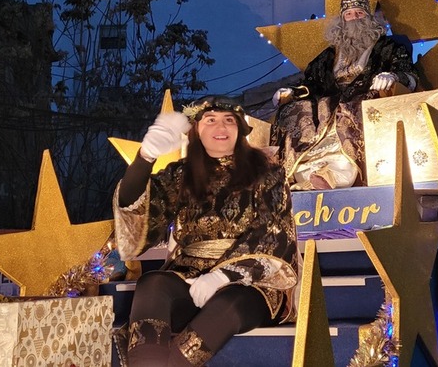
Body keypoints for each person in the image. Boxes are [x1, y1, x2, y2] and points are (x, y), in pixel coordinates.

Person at [113, 95, 299, 366]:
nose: (220, 128)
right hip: (188, 276)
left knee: (228, 306)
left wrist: (223, 276)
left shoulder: (269, 174)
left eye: (229, 121)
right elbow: (135, 207)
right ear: (197, 129)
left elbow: (272, 233)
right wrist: (145, 157)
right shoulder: (181, 175)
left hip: (249, 283)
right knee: (152, 284)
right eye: (210, 120)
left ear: (240, 130)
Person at [269, 0, 420, 190]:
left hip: (364, 100)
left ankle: (337, 174)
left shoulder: (388, 48)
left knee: (353, 108)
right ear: (342, 21)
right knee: (293, 109)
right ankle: (300, 173)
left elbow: (407, 73)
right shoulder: (328, 56)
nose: (354, 18)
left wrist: (391, 77)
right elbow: (311, 84)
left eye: (359, 13)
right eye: (349, 14)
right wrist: (292, 92)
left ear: (369, 18)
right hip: (325, 107)